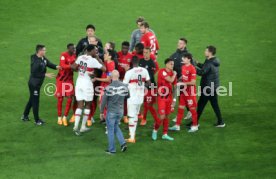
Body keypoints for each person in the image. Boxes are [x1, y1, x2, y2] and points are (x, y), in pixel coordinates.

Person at [70, 44, 106, 135]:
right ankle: (82, 127)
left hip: (79, 82)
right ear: (91, 51)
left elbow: (73, 67)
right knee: (88, 105)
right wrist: (98, 58)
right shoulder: (93, 60)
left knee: (79, 104)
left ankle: (75, 126)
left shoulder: (80, 57)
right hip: (87, 84)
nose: (96, 52)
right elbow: (104, 68)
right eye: (95, 50)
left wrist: (81, 70)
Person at [22, 44, 61, 125]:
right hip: (34, 84)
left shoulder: (42, 57)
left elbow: (48, 63)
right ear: (40, 51)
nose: (45, 51)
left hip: (37, 83)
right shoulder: (35, 61)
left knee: (32, 99)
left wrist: (56, 66)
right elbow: (33, 73)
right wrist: (45, 74)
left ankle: (25, 116)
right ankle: (37, 120)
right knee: (35, 101)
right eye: (44, 50)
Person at [195, 45, 225, 127]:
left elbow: (202, 72)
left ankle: (195, 123)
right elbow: (206, 68)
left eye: (206, 51)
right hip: (214, 87)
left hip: (207, 88)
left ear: (210, 52)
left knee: (200, 105)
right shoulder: (214, 60)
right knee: (215, 105)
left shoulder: (209, 62)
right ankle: (221, 122)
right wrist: (198, 64)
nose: (205, 52)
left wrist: (193, 68)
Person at [169, 53, 199, 132]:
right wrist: (179, 79)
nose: (183, 59)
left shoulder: (192, 69)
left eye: (184, 58)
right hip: (184, 91)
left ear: (189, 59)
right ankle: (177, 125)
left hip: (190, 92)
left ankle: (195, 126)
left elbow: (193, 82)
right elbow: (184, 76)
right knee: (180, 108)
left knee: (192, 109)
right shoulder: (183, 67)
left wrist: (182, 83)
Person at [100, 70, 128, 154]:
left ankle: (112, 150)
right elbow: (128, 96)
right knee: (116, 126)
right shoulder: (125, 86)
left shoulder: (109, 88)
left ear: (111, 77)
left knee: (110, 130)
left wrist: (101, 112)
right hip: (120, 111)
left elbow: (103, 101)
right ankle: (123, 143)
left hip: (111, 111)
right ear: (119, 76)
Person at [123, 56, 150, 143]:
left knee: (131, 117)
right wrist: (141, 86)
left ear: (131, 62)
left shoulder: (129, 72)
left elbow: (124, 85)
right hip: (140, 97)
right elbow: (149, 83)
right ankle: (132, 134)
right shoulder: (144, 70)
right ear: (139, 62)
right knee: (135, 116)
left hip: (132, 97)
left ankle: (132, 137)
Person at [152, 58, 177, 141]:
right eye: (170, 64)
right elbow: (171, 80)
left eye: (173, 64)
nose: (172, 65)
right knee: (162, 116)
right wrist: (174, 75)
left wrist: (174, 100)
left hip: (169, 98)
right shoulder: (162, 71)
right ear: (166, 64)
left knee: (166, 116)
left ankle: (165, 134)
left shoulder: (172, 73)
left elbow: (175, 87)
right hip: (161, 98)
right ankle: (155, 130)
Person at [170, 38, 193, 122]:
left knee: (183, 98)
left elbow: (192, 67)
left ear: (184, 45)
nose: (178, 44)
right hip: (177, 80)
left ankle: (185, 114)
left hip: (185, 81)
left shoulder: (188, 56)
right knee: (182, 98)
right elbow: (169, 65)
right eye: (178, 43)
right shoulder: (174, 55)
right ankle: (189, 111)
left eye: (180, 43)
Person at [55, 43, 76, 126]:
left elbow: (76, 66)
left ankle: (65, 117)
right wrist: (71, 67)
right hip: (61, 79)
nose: (73, 50)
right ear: (68, 49)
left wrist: (76, 68)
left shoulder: (75, 56)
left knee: (70, 98)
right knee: (60, 98)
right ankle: (59, 117)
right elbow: (62, 65)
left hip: (69, 80)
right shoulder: (63, 55)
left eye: (74, 48)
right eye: (72, 48)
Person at [138, 47, 159, 126]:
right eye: (144, 52)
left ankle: (144, 119)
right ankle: (140, 115)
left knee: (148, 104)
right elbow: (139, 74)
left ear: (150, 53)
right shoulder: (140, 61)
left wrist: (144, 85)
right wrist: (140, 84)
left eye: (146, 52)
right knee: (142, 101)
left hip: (150, 86)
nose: (145, 54)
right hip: (142, 85)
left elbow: (150, 77)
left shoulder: (152, 63)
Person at [94, 49, 116, 121]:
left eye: (106, 54)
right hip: (103, 86)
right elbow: (101, 63)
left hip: (107, 86)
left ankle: (108, 120)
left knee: (105, 104)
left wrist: (96, 79)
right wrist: (97, 57)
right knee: (101, 102)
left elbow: (108, 79)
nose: (104, 55)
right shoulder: (107, 62)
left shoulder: (111, 65)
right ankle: (104, 118)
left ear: (110, 56)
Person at [117, 41, 133, 123]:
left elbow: (133, 69)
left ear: (128, 48)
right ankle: (118, 115)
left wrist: (128, 70)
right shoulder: (117, 54)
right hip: (118, 80)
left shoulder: (131, 56)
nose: (124, 50)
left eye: (126, 48)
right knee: (117, 99)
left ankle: (125, 116)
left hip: (126, 81)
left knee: (125, 99)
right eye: (123, 48)